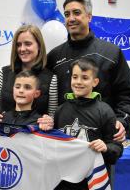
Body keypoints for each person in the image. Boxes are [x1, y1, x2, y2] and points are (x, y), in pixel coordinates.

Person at [47, 0, 130, 141]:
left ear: (89, 17)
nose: (71, 18)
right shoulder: (54, 56)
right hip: (63, 143)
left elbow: (128, 96)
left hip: (102, 143)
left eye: (76, 13)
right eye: (67, 14)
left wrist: (122, 121)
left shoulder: (111, 53)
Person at [53, 58, 123, 190]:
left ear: (95, 82)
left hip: (92, 182)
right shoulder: (60, 110)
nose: (78, 82)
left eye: (85, 78)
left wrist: (106, 147)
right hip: (63, 181)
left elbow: (117, 148)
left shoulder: (105, 111)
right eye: (75, 77)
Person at [0, 24, 58, 129]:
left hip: (34, 137)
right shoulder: (4, 73)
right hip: (5, 134)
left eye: (28, 44)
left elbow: (52, 113)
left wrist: (49, 121)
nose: (22, 49)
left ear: (39, 46)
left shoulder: (51, 78)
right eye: (18, 45)